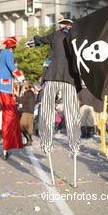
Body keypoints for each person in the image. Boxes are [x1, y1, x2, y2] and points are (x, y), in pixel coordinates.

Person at [30, 19, 81, 155]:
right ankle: (75, 144)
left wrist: (34, 41)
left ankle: (46, 144)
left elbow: (41, 40)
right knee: (72, 111)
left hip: (53, 75)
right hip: (68, 78)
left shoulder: (56, 35)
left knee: (47, 110)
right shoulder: (77, 37)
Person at [0, 36, 24, 160]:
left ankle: (7, 147)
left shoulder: (2, 52)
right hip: (4, 85)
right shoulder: (9, 53)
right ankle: (8, 143)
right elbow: (11, 66)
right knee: (10, 115)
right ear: (13, 47)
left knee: (8, 115)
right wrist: (20, 77)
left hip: (0, 83)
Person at [15, 80, 35, 146]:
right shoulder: (30, 93)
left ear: (28, 85)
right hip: (28, 112)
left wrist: (16, 96)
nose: (24, 85)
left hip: (27, 112)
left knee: (22, 126)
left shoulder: (28, 93)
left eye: (25, 84)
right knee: (27, 127)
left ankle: (29, 140)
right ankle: (29, 140)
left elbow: (21, 100)